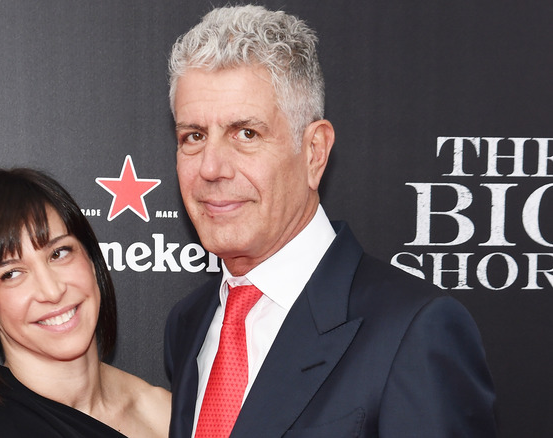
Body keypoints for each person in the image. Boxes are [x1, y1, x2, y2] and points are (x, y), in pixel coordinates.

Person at [164, 5, 497, 437]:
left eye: (246, 133)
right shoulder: (188, 323)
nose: (211, 168)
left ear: (315, 152)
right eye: (193, 136)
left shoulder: (415, 332)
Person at [0, 168, 170, 437]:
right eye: (12, 274)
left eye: (59, 253)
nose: (52, 291)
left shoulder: (165, 413)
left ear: (91, 259)